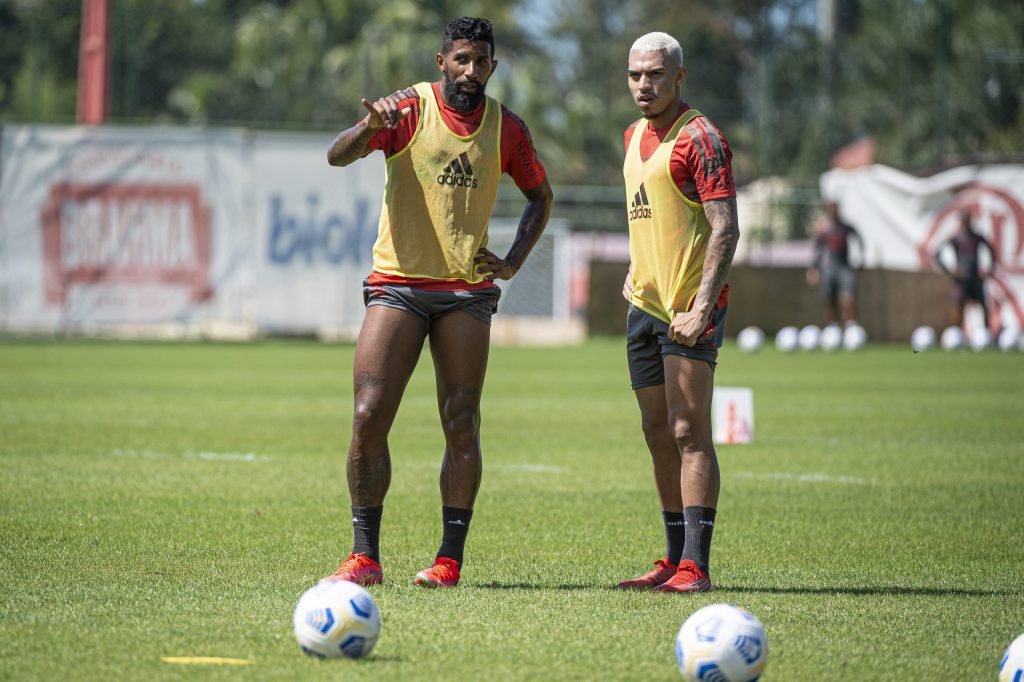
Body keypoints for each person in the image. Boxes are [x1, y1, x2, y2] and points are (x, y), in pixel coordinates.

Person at [324, 16, 552, 588]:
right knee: (368, 416)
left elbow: (540, 197)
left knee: (461, 422)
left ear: (493, 67)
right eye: (462, 60)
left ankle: (449, 561)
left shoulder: (507, 129)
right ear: (441, 61)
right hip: (398, 286)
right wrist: (365, 131)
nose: (471, 71)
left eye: (482, 62)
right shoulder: (406, 109)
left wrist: (514, 260)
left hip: (465, 295)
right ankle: (364, 556)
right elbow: (338, 155)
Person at [616, 32, 740, 593]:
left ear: (679, 77)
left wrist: (703, 304)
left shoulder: (702, 138)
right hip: (643, 305)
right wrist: (636, 266)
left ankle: (696, 565)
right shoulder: (631, 135)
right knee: (656, 431)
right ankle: (670, 559)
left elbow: (725, 228)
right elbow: (652, 216)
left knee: (690, 430)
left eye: (656, 75)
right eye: (636, 74)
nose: (645, 84)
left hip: (689, 309)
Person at [933, 211, 997, 330]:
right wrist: (950, 271)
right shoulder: (955, 238)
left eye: (967, 221)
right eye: (963, 221)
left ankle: (986, 334)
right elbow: (936, 255)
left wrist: (990, 270)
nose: (965, 224)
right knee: (958, 307)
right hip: (961, 280)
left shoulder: (977, 237)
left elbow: (991, 251)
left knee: (983, 306)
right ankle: (955, 334)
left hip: (975, 278)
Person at [805, 202, 862, 327]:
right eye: (831, 209)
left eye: (835, 209)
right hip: (830, 267)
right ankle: (833, 326)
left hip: (844, 266)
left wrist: (861, 260)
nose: (833, 212)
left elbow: (858, 239)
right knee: (829, 298)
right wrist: (813, 268)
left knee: (847, 298)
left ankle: (851, 326)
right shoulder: (825, 230)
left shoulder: (845, 227)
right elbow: (818, 249)